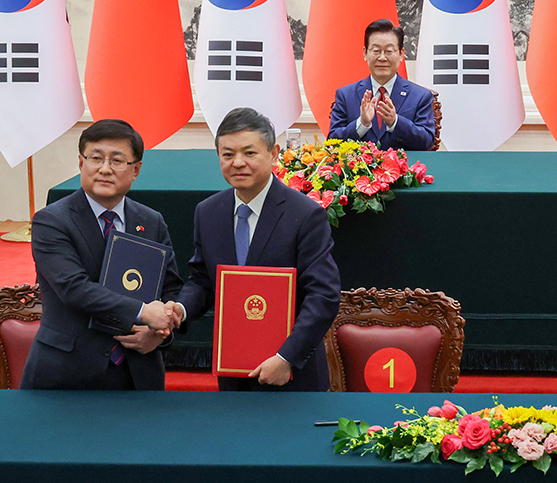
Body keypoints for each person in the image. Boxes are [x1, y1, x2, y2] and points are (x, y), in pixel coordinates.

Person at [174, 108, 341, 391]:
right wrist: (180, 309)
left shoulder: (305, 214)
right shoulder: (208, 212)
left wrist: (287, 358)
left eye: (249, 153)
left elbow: (323, 295)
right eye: (228, 154)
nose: (238, 163)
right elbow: (203, 279)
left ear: (274, 154)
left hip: (292, 377)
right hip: (232, 372)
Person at [22, 120, 183, 390]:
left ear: (136, 170)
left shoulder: (151, 221)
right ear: (81, 162)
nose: (105, 169)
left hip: (138, 372)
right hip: (67, 372)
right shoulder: (51, 220)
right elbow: (74, 288)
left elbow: (171, 289)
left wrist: (159, 334)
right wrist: (143, 313)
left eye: (117, 160)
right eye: (96, 158)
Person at [329, 20, 435, 151]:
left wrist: (395, 122)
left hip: (406, 164)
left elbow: (427, 141)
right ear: (365, 53)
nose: (382, 58)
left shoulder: (420, 96)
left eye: (389, 51)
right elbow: (333, 142)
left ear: (401, 54)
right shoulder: (346, 95)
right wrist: (362, 124)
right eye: (376, 51)